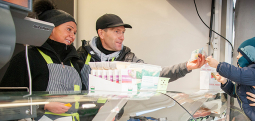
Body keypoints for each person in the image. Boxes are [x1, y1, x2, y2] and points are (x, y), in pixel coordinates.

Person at [0, 0, 83, 121]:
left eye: (74, 32)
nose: (73, 36)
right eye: (69, 29)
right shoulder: (28, 58)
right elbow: (7, 101)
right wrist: (43, 105)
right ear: (50, 30)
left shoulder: (75, 63)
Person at [77, 13, 206, 89]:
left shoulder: (128, 58)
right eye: (116, 32)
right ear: (101, 33)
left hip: (111, 118)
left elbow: (157, 74)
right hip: (80, 120)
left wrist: (187, 66)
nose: (122, 37)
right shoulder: (81, 55)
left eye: (123, 32)